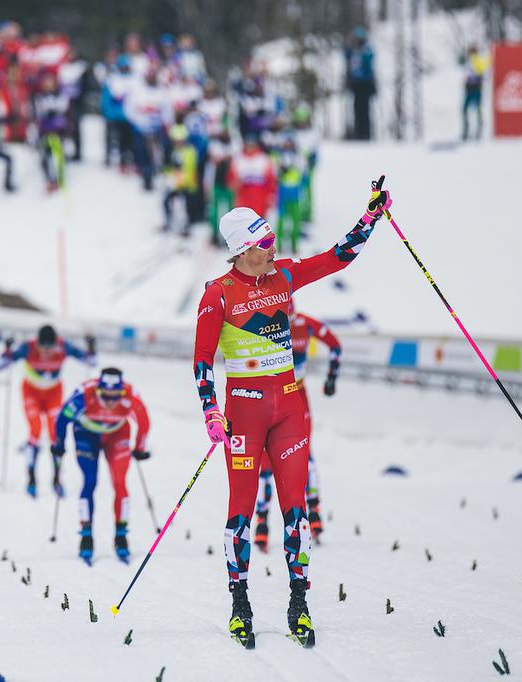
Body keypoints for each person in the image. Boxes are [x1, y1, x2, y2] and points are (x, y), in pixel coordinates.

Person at [193, 180, 392, 648]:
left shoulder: (283, 275)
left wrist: (370, 218)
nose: (272, 246)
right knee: (241, 512)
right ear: (241, 250)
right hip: (243, 413)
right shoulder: (217, 294)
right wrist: (210, 411)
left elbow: (335, 257)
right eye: (263, 243)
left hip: (289, 410)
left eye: (271, 238)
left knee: (295, 510)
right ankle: (240, 605)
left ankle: (298, 602)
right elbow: (202, 361)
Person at [253, 309, 341, 552]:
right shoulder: (303, 323)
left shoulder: (265, 320)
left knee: (281, 459)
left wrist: (332, 378)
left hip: (281, 397)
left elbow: (336, 346)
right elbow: (336, 347)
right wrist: (331, 378)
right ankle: (309, 515)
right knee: (287, 457)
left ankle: (268, 522)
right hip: (285, 396)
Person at [51, 368, 151, 564]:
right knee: (90, 481)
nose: (111, 401)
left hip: (117, 433)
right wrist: (59, 444)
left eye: (116, 396)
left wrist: (139, 448)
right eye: (106, 396)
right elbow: (62, 418)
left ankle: (121, 536)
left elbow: (144, 421)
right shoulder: (84, 394)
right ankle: (86, 536)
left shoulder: (130, 395)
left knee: (120, 482)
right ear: (98, 390)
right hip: (86, 434)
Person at [0, 325, 95, 497]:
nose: (47, 351)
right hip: (31, 392)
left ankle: (56, 479)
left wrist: (91, 348)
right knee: (35, 430)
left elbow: (91, 361)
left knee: (55, 433)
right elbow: (0, 365)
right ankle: (31, 478)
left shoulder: (64, 346)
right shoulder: (29, 347)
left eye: (50, 347)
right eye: (43, 347)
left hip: (53, 393)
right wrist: (7, 350)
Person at [32, 72, 70, 192]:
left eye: (50, 82)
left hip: (58, 130)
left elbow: (63, 107)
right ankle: (49, 180)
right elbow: (39, 111)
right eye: (46, 82)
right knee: (45, 155)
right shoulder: (39, 96)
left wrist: (52, 109)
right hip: (45, 131)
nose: (48, 85)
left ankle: (60, 178)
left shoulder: (60, 95)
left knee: (59, 154)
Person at [162, 123, 200, 235]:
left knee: (183, 204)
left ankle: (185, 226)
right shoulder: (172, 151)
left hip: (186, 185)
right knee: (167, 201)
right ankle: (169, 222)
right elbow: (168, 167)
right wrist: (169, 178)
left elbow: (190, 170)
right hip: (175, 183)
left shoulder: (189, 151)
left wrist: (180, 182)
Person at [227, 135, 277, 218]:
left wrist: (270, 195)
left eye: (252, 145)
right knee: (243, 221)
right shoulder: (238, 159)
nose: (250, 148)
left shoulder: (264, 159)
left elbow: (270, 179)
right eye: (248, 145)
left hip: (260, 196)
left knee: (259, 221)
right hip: (243, 196)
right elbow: (231, 179)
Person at [344, 27, 376, 140]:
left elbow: (369, 65)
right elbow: (346, 56)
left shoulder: (366, 51)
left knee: (365, 109)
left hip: (365, 84)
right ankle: (358, 132)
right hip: (356, 85)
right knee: (356, 108)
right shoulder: (352, 51)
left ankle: (365, 134)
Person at [460, 44, 491, 141]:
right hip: (469, 89)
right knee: (465, 109)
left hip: (476, 88)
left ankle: (479, 130)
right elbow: (460, 61)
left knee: (477, 109)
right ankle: (467, 130)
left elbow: (483, 70)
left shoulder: (478, 60)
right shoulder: (468, 61)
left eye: (471, 52)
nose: (470, 54)